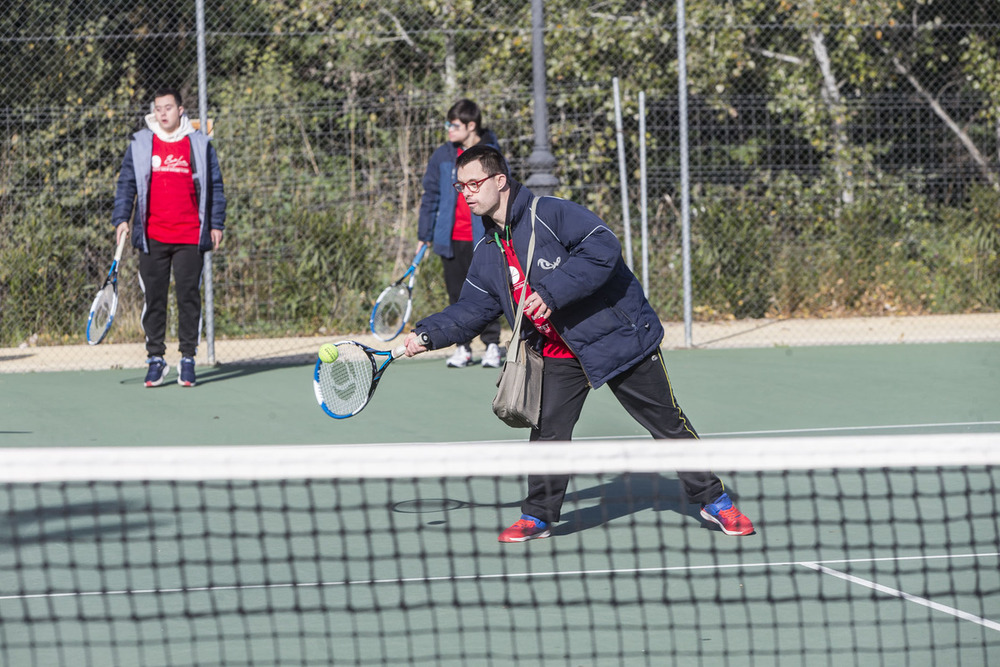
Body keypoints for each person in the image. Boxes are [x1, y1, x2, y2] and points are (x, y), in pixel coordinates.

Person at [404, 145, 754, 543]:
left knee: (666, 424)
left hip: (617, 337)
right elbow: (471, 309)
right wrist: (427, 334)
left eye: (473, 183)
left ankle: (715, 500)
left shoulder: (552, 214)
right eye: (460, 185)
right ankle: (537, 515)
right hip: (557, 351)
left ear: (499, 182)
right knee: (549, 434)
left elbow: (603, 248)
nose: (466, 192)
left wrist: (551, 294)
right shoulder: (487, 252)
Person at [111, 87, 227, 388]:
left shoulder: (199, 144)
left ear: (181, 110)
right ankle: (156, 360)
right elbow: (126, 184)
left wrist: (216, 224)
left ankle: (187, 359)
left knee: (188, 298)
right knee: (154, 299)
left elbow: (215, 185)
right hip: (152, 237)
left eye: (168, 107)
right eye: (158, 108)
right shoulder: (141, 144)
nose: (163, 113)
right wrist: (121, 219)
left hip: (190, 236)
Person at [417, 99, 503, 368]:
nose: (448, 130)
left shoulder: (490, 153)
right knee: (457, 295)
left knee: (489, 293)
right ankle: (462, 348)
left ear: (471, 125)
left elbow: (503, 192)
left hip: (483, 237)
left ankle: (491, 346)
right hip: (451, 239)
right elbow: (430, 196)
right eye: (447, 124)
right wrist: (425, 233)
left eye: (453, 125)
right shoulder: (443, 155)